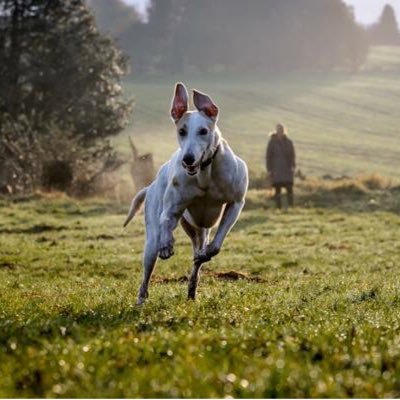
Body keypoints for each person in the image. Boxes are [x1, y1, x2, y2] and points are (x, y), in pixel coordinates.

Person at [266, 123, 296, 209]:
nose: (281, 132)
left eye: (282, 130)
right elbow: (268, 156)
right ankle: (278, 207)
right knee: (277, 190)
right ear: (276, 131)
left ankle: (291, 206)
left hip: (287, 169)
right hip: (276, 170)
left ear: (284, 131)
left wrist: (293, 166)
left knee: (289, 189)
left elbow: (292, 155)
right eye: (279, 130)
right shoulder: (272, 142)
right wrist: (269, 169)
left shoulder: (289, 142)